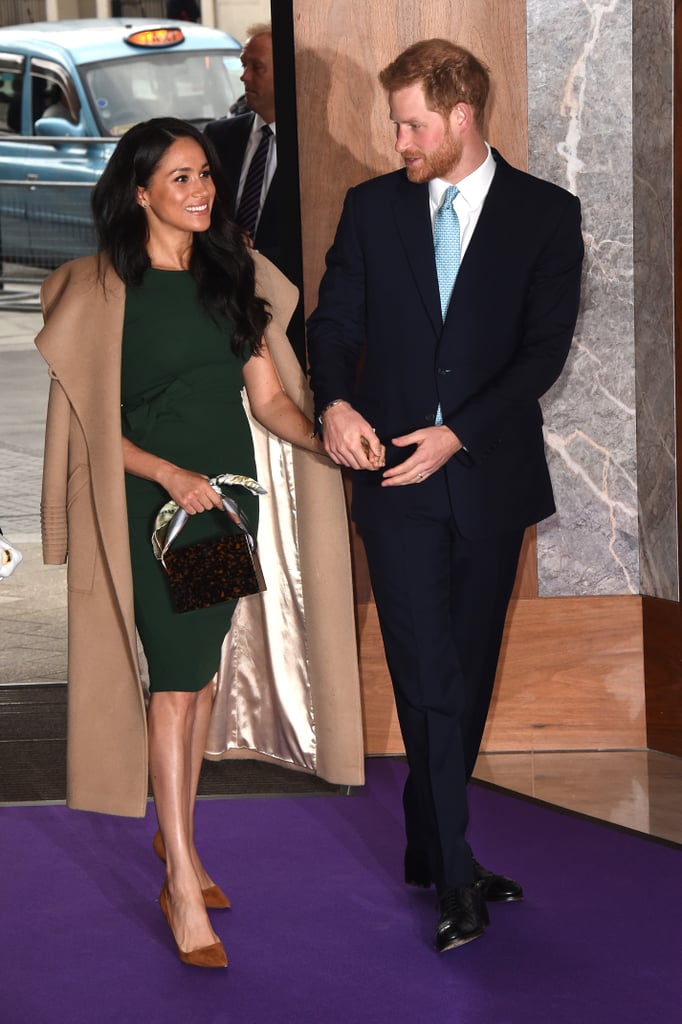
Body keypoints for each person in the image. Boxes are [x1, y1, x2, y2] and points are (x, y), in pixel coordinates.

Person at [35, 117, 337, 969]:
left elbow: (270, 401)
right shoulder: (100, 292)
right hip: (152, 506)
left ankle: (184, 847)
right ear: (138, 194)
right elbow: (94, 429)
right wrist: (168, 475)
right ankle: (177, 887)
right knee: (173, 684)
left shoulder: (224, 274)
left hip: (222, 506)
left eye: (205, 174)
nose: (202, 190)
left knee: (199, 682)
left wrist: (328, 441)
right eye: (180, 179)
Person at [307, 39, 584, 953]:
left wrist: (458, 431)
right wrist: (336, 401)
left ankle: (430, 846)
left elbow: (542, 354)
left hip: (486, 477)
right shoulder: (371, 210)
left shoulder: (547, 215)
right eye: (396, 123)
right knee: (427, 674)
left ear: (462, 117)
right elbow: (332, 323)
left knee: (464, 678)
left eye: (412, 123)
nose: (398, 141)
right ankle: (457, 875)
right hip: (393, 481)